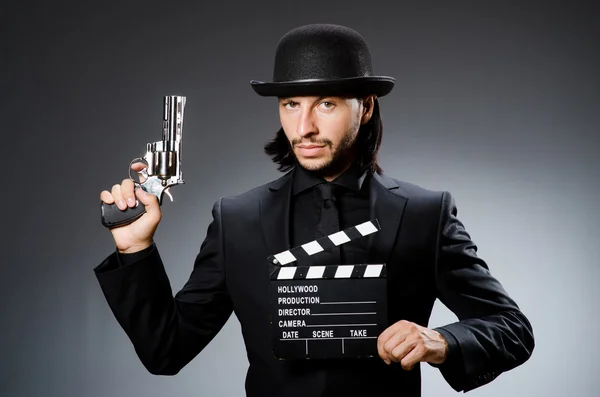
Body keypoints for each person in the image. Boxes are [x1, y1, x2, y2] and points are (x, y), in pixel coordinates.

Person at [95, 24, 534, 397]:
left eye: (326, 104)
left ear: (365, 107)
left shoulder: (424, 213)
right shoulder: (238, 219)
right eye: (291, 105)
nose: (304, 127)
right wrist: (135, 250)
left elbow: (512, 329)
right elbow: (165, 351)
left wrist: (441, 341)